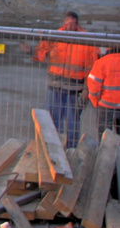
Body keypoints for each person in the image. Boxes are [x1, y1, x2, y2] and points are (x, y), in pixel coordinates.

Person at [36, 11, 100, 147]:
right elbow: (39, 53)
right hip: (55, 85)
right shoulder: (54, 37)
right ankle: (53, 145)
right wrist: (47, 53)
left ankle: (72, 147)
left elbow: (92, 66)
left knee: (72, 121)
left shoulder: (87, 41)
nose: (69, 27)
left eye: (72, 24)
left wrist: (88, 88)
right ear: (64, 22)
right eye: (67, 24)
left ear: (77, 24)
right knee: (53, 118)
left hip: (74, 87)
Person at [88, 47, 120, 135]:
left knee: (105, 135)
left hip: (106, 104)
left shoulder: (102, 62)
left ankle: (105, 148)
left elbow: (94, 85)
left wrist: (95, 101)